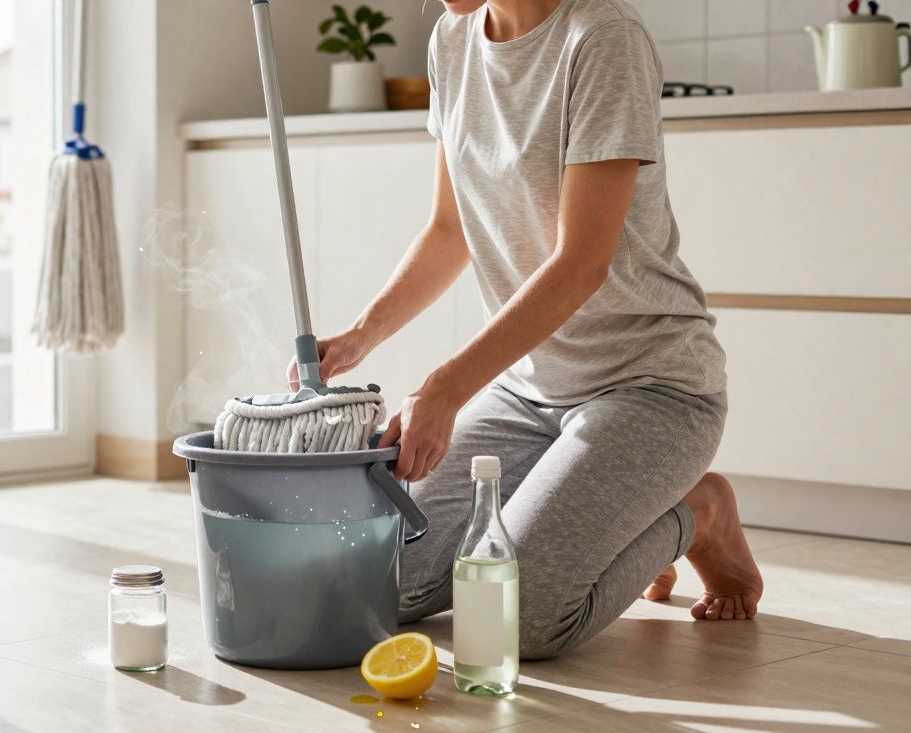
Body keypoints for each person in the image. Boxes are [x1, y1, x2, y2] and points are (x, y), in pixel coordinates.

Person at [288, 0, 764, 659]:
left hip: (651, 387)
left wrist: (448, 387)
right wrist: (361, 334)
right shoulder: (453, 38)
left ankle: (698, 512)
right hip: (527, 391)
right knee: (380, 584)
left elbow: (581, 264)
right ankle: (612, 517)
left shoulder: (602, 39)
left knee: (520, 620)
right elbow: (450, 231)